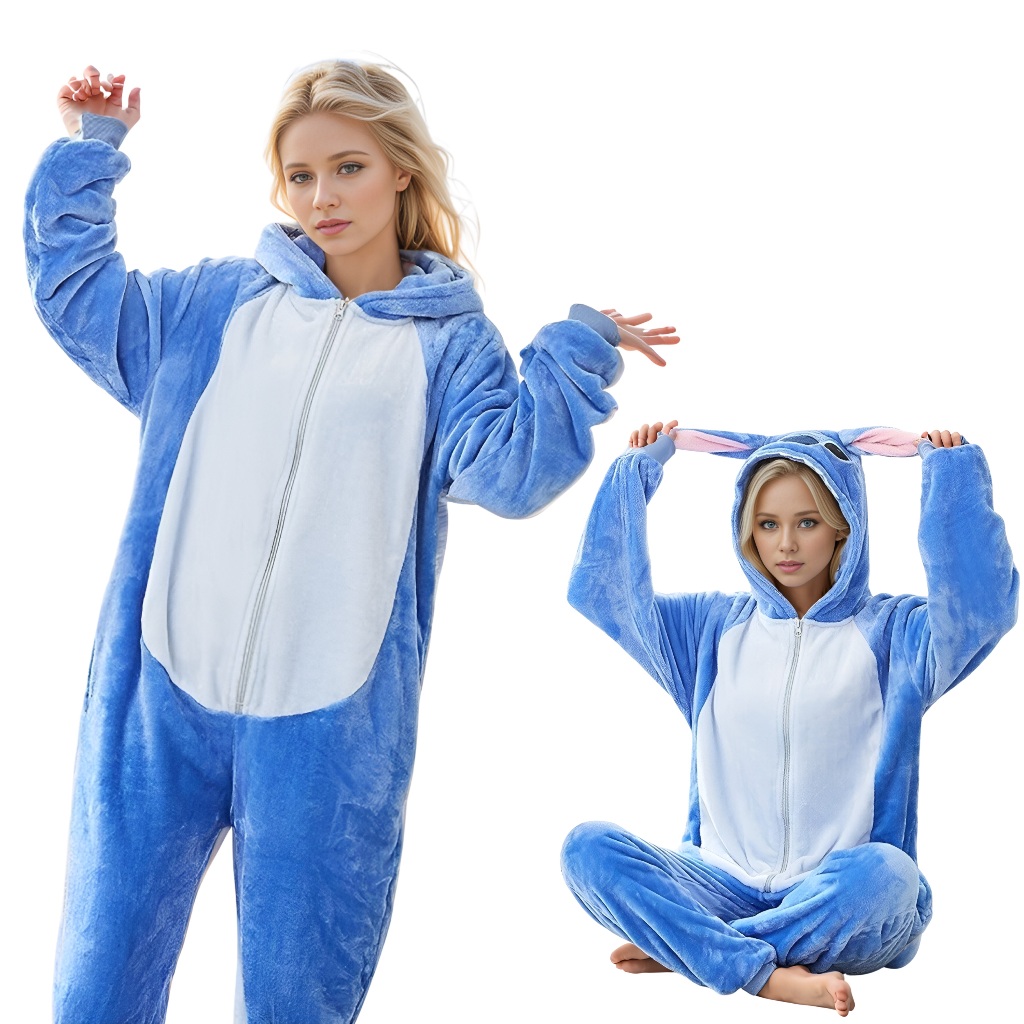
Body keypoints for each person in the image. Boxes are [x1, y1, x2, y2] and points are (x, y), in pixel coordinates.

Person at [24, 62, 678, 1023]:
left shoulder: (450, 347)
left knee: (298, 1005)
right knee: (95, 993)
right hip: (159, 696)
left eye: (348, 168)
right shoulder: (216, 305)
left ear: (401, 171)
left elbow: (510, 474)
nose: (322, 196)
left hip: (332, 729)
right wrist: (89, 151)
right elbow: (82, 297)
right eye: (300, 176)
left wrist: (573, 354)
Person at [560, 421, 1017, 1016]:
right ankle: (756, 968)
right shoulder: (709, 631)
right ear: (746, 530)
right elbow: (604, 594)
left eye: (807, 522)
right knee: (586, 849)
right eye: (768, 524)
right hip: (719, 884)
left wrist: (952, 480)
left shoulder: (897, 635)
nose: (786, 545)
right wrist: (635, 473)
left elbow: (981, 609)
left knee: (890, 877)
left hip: (840, 903)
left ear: (842, 525)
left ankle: (701, 950)